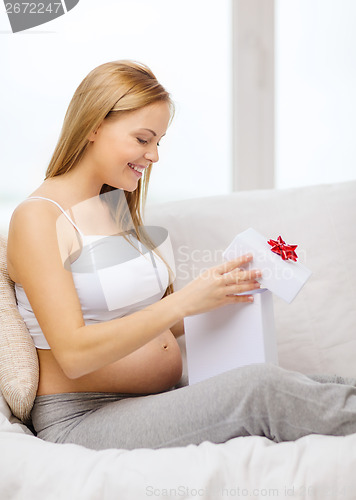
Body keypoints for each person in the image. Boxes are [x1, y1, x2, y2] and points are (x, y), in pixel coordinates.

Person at [6, 60, 356, 450]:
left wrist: (219, 292)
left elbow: (138, 326)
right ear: (93, 126)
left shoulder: (112, 204)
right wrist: (184, 303)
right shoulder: (39, 218)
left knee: (320, 383)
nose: (154, 155)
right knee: (261, 389)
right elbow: (74, 353)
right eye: (143, 139)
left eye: (159, 142)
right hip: (84, 417)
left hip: (147, 401)